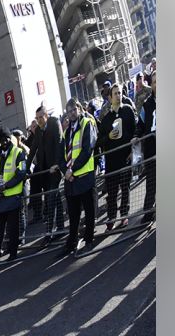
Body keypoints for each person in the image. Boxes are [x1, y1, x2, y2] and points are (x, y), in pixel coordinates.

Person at [62, 98, 99, 256]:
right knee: (73, 214)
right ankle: (72, 242)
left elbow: (87, 150)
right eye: (69, 111)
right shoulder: (67, 130)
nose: (71, 113)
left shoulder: (86, 124)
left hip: (84, 176)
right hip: (71, 180)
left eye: (73, 110)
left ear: (79, 108)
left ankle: (89, 240)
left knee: (89, 211)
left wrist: (72, 169)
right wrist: (66, 171)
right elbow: (61, 154)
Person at [0, 131, 28, 265]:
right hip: (1, 198)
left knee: (13, 228)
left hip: (13, 197)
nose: (2, 143)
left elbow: (21, 173)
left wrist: (6, 186)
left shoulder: (18, 152)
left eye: (4, 140)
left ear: (9, 140)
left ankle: (13, 252)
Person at [97, 90, 137, 230]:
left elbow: (135, 132)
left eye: (120, 92)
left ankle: (124, 215)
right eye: (115, 93)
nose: (118, 95)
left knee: (125, 189)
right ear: (110, 98)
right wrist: (108, 136)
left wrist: (133, 151)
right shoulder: (106, 118)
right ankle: (112, 217)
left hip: (126, 158)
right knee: (112, 192)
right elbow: (99, 141)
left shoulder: (128, 111)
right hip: (111, 162)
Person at [27, 104, 66, 236]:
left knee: (50, 199)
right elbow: (33, 149)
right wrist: (26, 168)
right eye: (36, 118)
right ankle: (60, 228)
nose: (39, 120)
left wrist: (56, 164)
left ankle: (49, 231)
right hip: (44, 171)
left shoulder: (54, 123)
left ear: (46, 116)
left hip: (55, 169)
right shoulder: (38, 130)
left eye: (40, 117)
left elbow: (60, 143)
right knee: (56, 199)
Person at [138, 73, 157, 224]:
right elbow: (141, 124)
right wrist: (136, 135)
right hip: (152, 150)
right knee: (151, 183)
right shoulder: (147, 104)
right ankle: (148, 213)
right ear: (152, 85)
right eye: (156, 82)